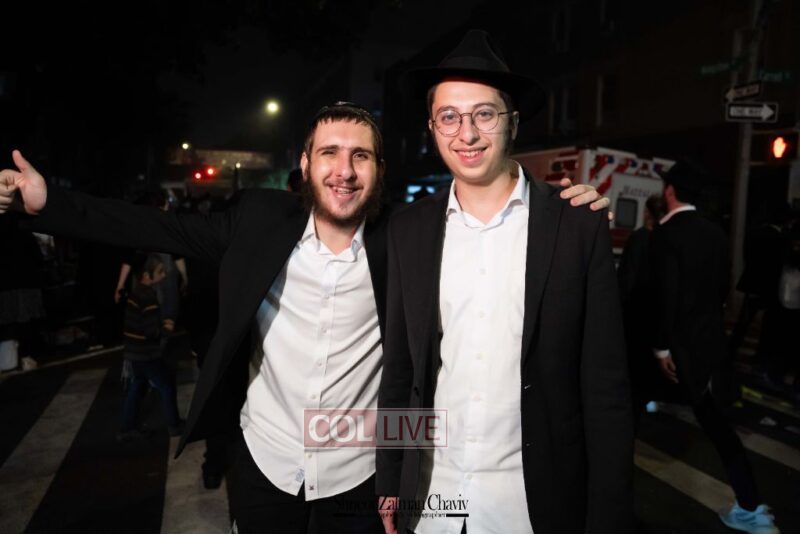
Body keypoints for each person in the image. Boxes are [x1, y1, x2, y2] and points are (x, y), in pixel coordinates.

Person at [0, 102, 607, 533]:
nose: (344, 170)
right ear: (307, 162)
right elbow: (158, 227)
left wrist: (564, 210)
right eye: (330, 154)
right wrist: (50, 202)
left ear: (379, 170)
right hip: (264, 463)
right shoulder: (259, 222)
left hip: (358, 479)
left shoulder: (405, 239)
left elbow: (488, 226)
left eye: (360, 156)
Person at [376, 30, 632, 534]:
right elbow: (402, 370)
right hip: (431, 499)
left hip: (531, 504)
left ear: (512, 121)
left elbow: (605, 388)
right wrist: (390, 477)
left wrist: (608, 515)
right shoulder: (408, 229)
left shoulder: (575, 226)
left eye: (484, 114)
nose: (467, 134)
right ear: (432, 127)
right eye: (449, 116)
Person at [650, 160, 780, 533]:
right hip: (710, 345)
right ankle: (750, 506)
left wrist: (662, 348)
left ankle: (752, 509)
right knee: (720, 427)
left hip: (681, 349)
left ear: (670, 191)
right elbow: (721, 290)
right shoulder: (715, 233)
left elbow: (664, 298)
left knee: (715, 426)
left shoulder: (666, 234)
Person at [118, 253, 184, 441]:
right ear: (147, 276)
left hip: (133, 352)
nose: (164, 275)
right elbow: (150, 331)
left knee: (137, 386)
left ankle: (127, 427)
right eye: (160, 272)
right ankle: (174, 424)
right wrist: (166, 328)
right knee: (166, 385)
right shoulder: (148, 298)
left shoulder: (136, 293)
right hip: (146, 354)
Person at [617, 194, 666, 426]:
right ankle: (650, 398)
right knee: (649, 358)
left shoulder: (639, 238)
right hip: (656, 306)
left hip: (636, 307)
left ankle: (633, 401)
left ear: (647, 212)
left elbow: (628, 275)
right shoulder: (666, 237)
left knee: (633, 357)